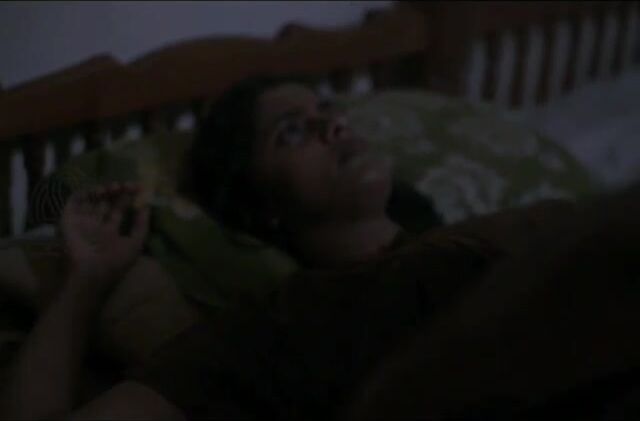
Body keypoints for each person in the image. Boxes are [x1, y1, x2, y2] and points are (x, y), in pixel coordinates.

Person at [1, 75, 639, 421]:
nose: (332, 124)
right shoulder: (279, 325)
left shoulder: (472, 240)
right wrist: (84, 284)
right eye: (291, 132)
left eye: (328, 109)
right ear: (260, 207)